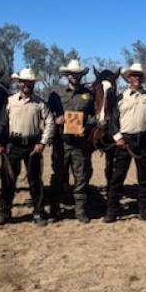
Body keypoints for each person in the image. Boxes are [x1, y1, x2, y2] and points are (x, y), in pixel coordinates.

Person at [0, 68, 55, 227]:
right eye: (23, 82)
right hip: (12, 145)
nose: (26, 84)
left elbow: (50, 122)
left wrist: (43, 142)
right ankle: (4, 213)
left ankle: (38, 212)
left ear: (33, 84)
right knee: (7, 180)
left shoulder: (40, 103)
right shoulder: (10, 101)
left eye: (29, 82)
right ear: (19, 83)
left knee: (35, 181)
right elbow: (1, 123)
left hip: (33, 147)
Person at [105, 63, 146, 224]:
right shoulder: (120, 98)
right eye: (133, 76)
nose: (135, 78)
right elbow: (112, 120)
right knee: (117, 177)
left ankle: (145, 212)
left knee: (144, 179)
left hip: (144, 140)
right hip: (125, 141)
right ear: (128, 79)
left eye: (138, 76)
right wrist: (117, 137)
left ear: (142, 78)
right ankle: (112, 211)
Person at [47, 59, 97, 223]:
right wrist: (56, 119)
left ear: (81, 75)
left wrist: (86, 125)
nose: (74, 76)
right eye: (71, 73)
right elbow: (48, 114)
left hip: (80, 143)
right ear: (67, 75)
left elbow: (94, 116)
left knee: (81, 177)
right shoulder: (56, 94)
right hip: (61, 142)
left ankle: (80, 211)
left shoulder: (88, 95)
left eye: (77, 73)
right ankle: (54, 209)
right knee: (58, 176)